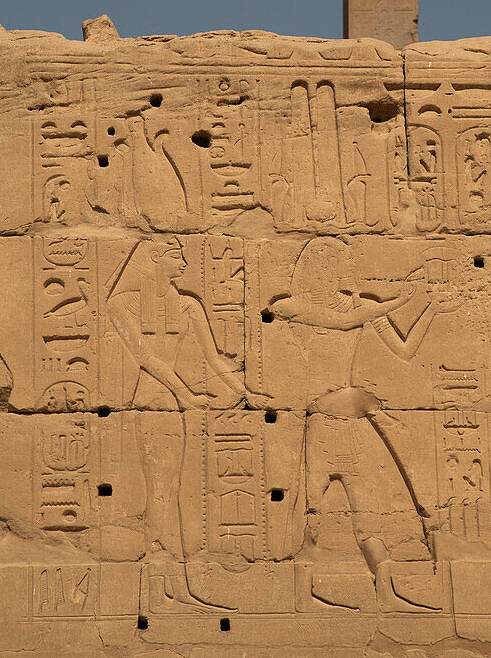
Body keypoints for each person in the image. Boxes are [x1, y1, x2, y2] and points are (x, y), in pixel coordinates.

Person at [272, 237, 452, 612]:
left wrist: (430, 307)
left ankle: (389, 595)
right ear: (317, 267)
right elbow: (342, 323)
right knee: (312, 513)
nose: (343, 269)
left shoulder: (361, 306)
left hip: (352, 422)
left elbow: (405, 350)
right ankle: (302, 598)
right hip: (318, 422)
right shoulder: (291, 306)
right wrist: (400, 300)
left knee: (368, 511)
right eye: (334, 262)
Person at [107, 236, 252, 610]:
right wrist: (186, 395)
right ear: (154, 260)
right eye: (176, 255)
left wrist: (247, 391)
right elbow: (147, 358)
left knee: (171, 493)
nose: (185, 262)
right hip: (153, 402)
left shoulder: (187, 306)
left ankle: (174, 586)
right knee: (160, 492)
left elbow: (215, 360)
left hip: (170, 405)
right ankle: (160, 590)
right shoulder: (123, 304)